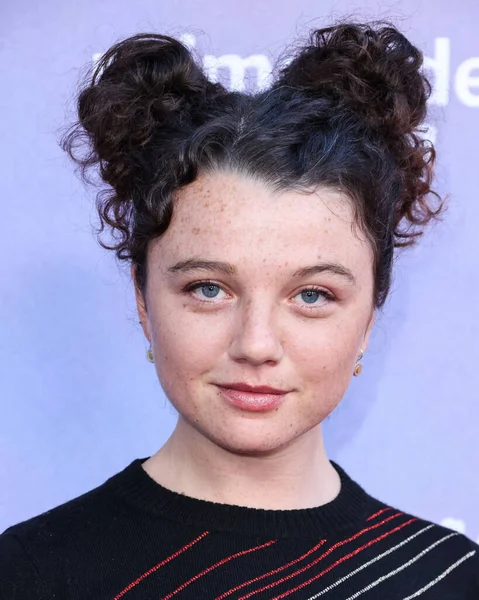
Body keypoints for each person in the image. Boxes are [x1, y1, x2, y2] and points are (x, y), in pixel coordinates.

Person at [1, 20, 478, 599]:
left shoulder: (450, 577)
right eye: (208, 289)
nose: (255, 344)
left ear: (370, 318)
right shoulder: (31, 572)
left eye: (312, 296)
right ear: (142, 300)